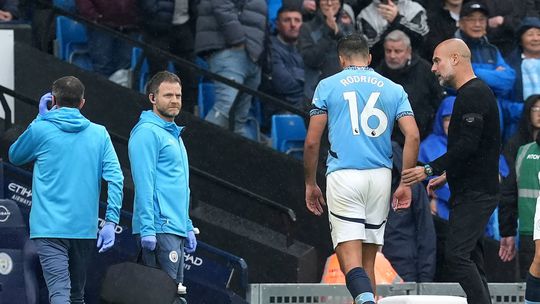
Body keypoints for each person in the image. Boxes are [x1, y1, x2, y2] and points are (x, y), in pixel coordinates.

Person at [304, 33, 419, 303]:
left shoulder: (328, 86)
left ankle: (366, 301)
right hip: (380, 175)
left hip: (344, 175)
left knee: (348, 260)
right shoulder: (393, 88)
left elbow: (311, 142)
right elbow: (412, 136)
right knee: (369, 259)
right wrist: (405, 183)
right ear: (369, 58)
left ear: (341, 59)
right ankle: (370, 299)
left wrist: (310, 183)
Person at [8, 76, 124, 304]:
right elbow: (116, 179)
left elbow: (15, 156)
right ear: (82, 103)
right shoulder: (99, 134)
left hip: (49, 229)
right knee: (75, 296)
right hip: (83, 229)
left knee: (61, 293)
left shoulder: (41, 129)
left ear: (53, 101)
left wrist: (38, 118)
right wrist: (110, 222)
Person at [402, 38, 501, 304]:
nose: (433, 68)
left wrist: (430, 168)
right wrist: (448, 174)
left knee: (457, 257)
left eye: (437, 60)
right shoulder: (470, 94)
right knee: (471, 260)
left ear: (455, 59)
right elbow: (478, 146)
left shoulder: (474, 93)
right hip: (470, 189)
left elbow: (468, 145)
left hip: (476, 194)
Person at [129, 71, 197, 301]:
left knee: (172, 297)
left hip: (174, 228)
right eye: (168, 95)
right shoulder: (146, 133)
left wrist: (186, 225)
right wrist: (148, 227)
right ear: (152, 98)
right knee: (163, 298)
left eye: (178, 95)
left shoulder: (175, 135)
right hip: (158, 228)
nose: (175, 100)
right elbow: (144, 183)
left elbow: (181, 187)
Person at [194, 0, 267, 139]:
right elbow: (221, 5)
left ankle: (233, 159)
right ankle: (194, 153)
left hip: (253, 57)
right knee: (225, 108)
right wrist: (238, 40)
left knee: (239, 119)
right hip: (231, 50)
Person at [376, 29, 443, 145]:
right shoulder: (377, 75)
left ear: (409, 51)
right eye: (388, 51)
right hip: (387, 140)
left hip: (424, 138)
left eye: (398, 51)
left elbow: (438, 101)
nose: (392, 56)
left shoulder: (426, 70)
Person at [382, 141, 436, 283]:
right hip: (374, 266)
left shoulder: (413, 188)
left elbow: (426, 233)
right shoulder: (366, 187)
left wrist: (425, 280)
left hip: (405, 269)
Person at [499, 94, 540, 278]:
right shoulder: (519, 148)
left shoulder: (523, 150)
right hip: (528, 232)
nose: (539, 113)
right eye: (535, 109)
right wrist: (507, 230)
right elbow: (508, 193)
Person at [497, 133, 540, 303]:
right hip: (530, 227)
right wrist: (508, 230)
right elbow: (509, 193)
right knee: (538, 262)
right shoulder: (524, 151)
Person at [139, 0, 198, 113]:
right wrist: (158, 15)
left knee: (188, 74)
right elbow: (146, 5)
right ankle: (156, 113)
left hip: (183, 27)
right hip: (158, 29)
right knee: (158, 75)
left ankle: (186, 115)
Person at [298, 0, 355, 100]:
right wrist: (328, 33)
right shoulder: (306, 28)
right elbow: (312, 59)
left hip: (346, 93)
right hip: (316, 93)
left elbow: (355, 57)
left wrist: (338, 33)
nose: (329, 3)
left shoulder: (349, 29)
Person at [75, 0, 139, 78]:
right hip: (101, 26)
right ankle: (100, 89)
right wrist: (94, 16)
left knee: (124, 70)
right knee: (103, 67)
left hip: (130, 26)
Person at [356, 0, 429, 67]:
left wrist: (397, 20)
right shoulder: (366, 15)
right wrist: (392, 25)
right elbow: (370, 52)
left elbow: (422, 42)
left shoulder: (415, 9)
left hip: (414, 67)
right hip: (381, 70)